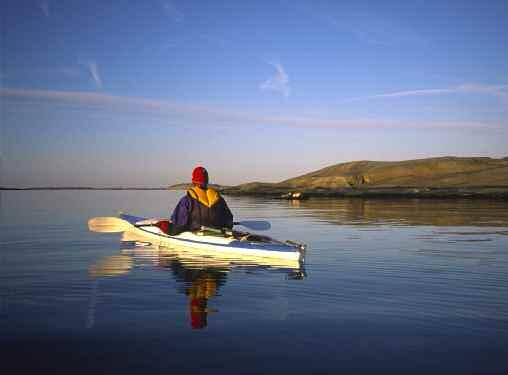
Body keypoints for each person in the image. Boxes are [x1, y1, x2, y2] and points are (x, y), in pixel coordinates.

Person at [169, 166, 233, 235]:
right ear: (207, 180)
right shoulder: (219, 199)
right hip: (219, 234)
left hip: (197, 234)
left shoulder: (187, 200)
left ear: (193, 181)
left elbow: (178, 223)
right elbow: (229, 221)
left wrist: (170, 230)